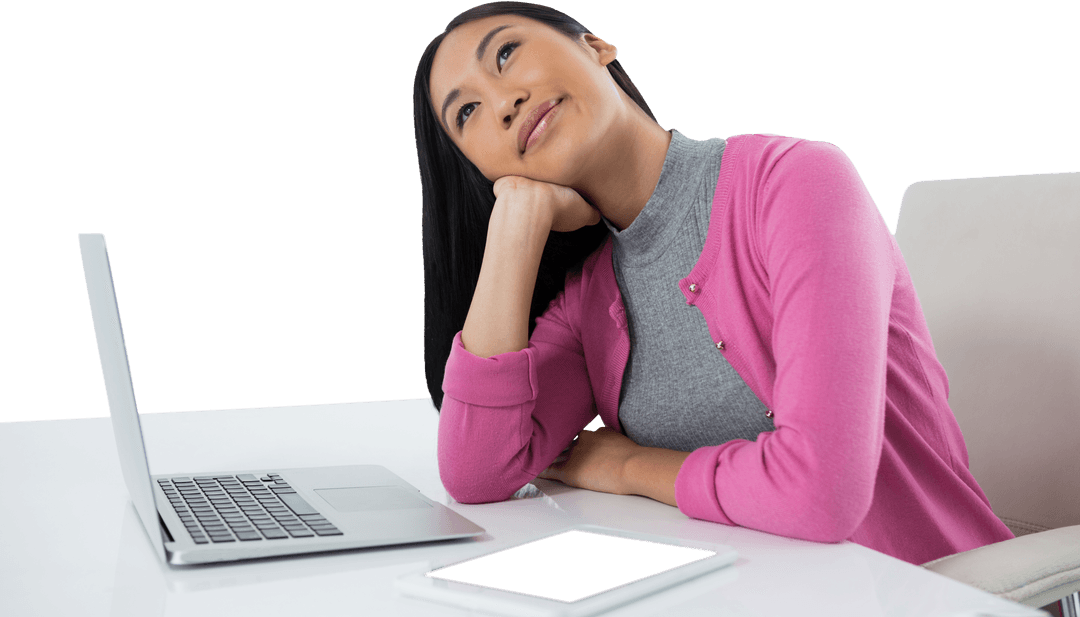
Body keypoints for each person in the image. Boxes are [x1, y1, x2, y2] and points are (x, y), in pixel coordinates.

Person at [412, 1, 1014, 566]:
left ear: (596, 47)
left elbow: (821, 491)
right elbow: (477, 472)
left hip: (929, 589)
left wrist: (630, 468)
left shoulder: (796, 185)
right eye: (467, 113)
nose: (503, 103)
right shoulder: (588, 297)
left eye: (506, 54)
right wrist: (515, 229)